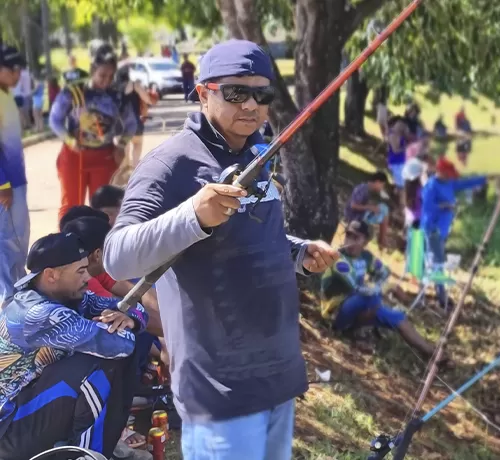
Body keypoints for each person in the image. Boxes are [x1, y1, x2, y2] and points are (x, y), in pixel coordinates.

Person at [102, 39, 340, 460]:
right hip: (220, 388)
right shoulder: (169, 164)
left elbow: (258, 240)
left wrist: (300, 253)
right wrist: (193, 214)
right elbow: (117, 256)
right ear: (203, 92)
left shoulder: (257, 154)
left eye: (262, 94)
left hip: (278, 375)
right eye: (236, 92)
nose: (251, 105)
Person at [0, 232, 148, 460]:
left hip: (29, 410)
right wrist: (125, 321)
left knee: (105, 357)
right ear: (51, 275)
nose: (88, 278)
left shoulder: (64, 296)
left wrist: (131, 319)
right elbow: (120, 345)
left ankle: (95, 448)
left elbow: (127, 306)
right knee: (98, 364)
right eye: (80, 271)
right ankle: (86, 454)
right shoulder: (37, 313)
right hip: (9, 431)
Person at [321, 221, 450, 361]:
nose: (350, 241)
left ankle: (432, 354)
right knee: (372, 297)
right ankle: (355, 331)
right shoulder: (338, 259)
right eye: (348, 235)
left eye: (356, 238)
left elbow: (384, 272)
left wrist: (379, 285)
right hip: (335, 313)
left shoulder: (366, 257)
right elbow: (357, 288)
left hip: (359, 304)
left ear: (365, 241)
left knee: (398, 317)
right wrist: (382, 287)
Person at [49, 44, 137, 221]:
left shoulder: (117, 95)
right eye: (102, 75)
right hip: (74, 156)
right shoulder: (74, 91)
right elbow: (54, 120)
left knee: (104, 208)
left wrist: (121, 145)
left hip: (104, 157)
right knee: (71, 207)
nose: (106, 80)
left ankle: (101, 247)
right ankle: (68, 246)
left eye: (111, 76)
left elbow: (131, 124)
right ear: (92, 70)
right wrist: (70, 140)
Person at [420, 158, 486, 309]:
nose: (451, 176)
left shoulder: (449, 183)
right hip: (433, 229)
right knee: (437, 263)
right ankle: (441, 297)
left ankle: (437, 293)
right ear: (441, 172)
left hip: (442, 230)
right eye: (448, 173)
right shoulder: (431, 186)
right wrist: (446, 205)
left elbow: (464, 183)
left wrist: (483, 179)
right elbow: (428, 207)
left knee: (437, 261)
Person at [0, 46, 30, 305]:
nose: (18, 74)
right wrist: (3, 183)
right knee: (8, 240)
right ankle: (10, 297)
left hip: (16, 180)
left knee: (19, 238)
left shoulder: (6, 95)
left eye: (20, 69)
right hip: (6, 185)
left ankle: (18, 289)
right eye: (13, 69)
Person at [113, 66, 154, 173]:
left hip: (119, 126)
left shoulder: (112, 88)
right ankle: (135, 176)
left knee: (123, 158)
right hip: (135, 124)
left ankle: (124, 181)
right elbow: (148, 100)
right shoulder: (135, 85)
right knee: (137, 148)